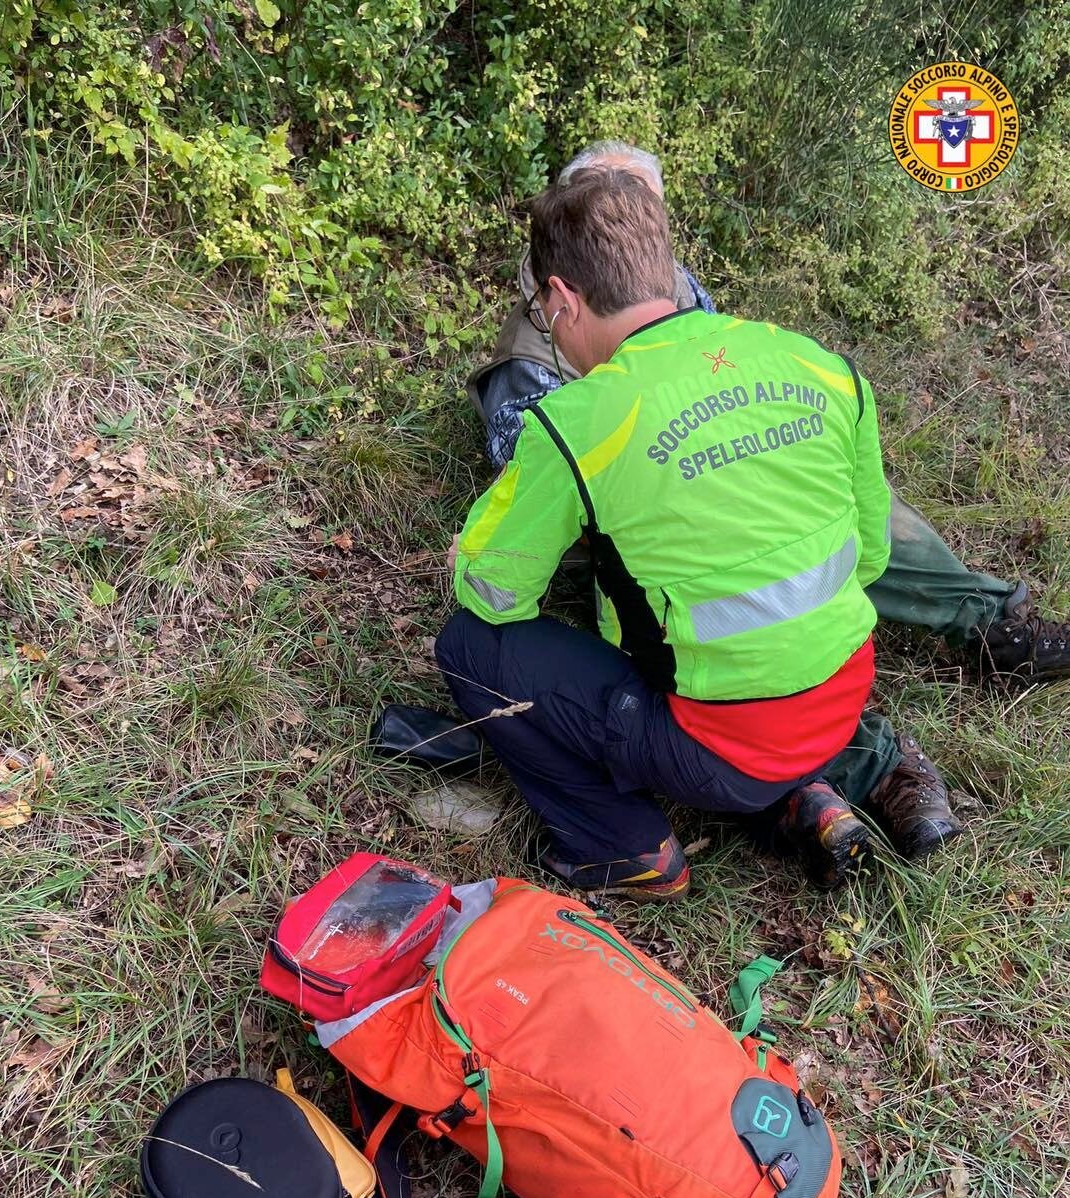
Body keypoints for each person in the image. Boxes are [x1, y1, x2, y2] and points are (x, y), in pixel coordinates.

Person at [436, 167, 954, 900]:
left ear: (560, 299)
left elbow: (496, 594)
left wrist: (480, 544)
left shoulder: (579, 419)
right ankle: (808, 793)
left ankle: (622, 848)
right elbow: (869, 555)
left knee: (468, 646)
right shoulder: (821, 365)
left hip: (720, 747)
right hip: (841, 702)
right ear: (666, 273)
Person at [467, 141, 1069, 688]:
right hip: (637, 514)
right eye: (617, 216)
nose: (639, 238)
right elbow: (537, 474)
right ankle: (850, 745)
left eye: (647, 217)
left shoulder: (669, 283)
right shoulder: (534, 349)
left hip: (703, 469)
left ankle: (992, 625)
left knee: (826, 494)